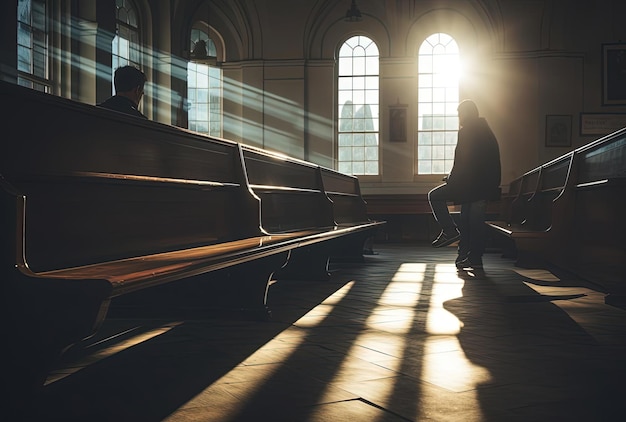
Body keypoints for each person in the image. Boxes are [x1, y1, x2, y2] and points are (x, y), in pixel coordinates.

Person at [428, 99, 501, 269]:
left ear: (467, 113)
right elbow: (477, 161)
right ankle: (468, 257)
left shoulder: (468, 131)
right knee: (470, 221)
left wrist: (452, 179)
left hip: (473, 186)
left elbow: (462, 161)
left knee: (435, 196)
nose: (459, 117)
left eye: (460, 113)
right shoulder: (485, 130)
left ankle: (450, 231)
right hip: (479, 186)